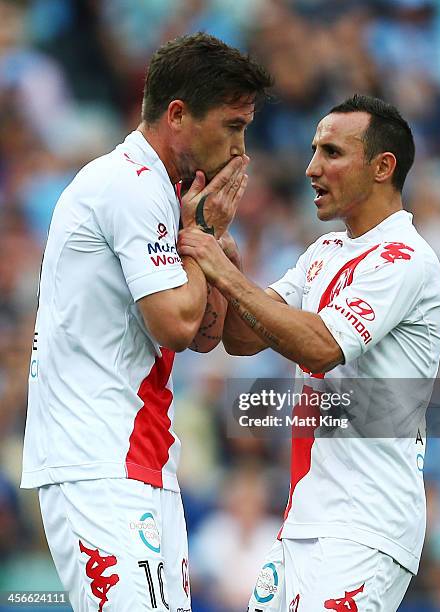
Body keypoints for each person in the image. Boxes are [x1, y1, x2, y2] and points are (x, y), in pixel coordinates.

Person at [20, 33, 272, 611]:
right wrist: (204, 236)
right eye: (232, 126)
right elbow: (177, 325)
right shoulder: (128, 185)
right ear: (178, 114)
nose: (242, 150)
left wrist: (207, 242)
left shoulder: (169, 193)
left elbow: (208, 334)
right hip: (96, 457)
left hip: (148, 456)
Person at [178, 94, 440, 611]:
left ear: (382, 167)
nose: (311, 168)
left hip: (365, 524)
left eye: (331, 152)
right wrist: (217, 242)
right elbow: (242, 337)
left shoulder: (406, 258)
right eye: (312, 150)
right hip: (305, 517)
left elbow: (323, 347)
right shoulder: (323, 253)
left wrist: (227, 273)